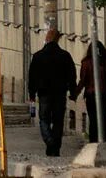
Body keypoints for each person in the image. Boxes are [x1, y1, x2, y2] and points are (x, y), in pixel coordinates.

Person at [28, 29, 77, 157]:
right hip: (59, 94)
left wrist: (32, 94)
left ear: (47, 39)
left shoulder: (38, 56)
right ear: (57, 39)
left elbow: (32, 77)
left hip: (43, 93)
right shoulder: (65, 56)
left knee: (44, 119)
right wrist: (73, 92)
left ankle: (50, 141)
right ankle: (55, 147)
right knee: (58, 120)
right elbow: (72, 75)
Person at [72, 41, 106, 143]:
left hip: (91, 95)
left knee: (93, 119)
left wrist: (75, 94)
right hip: (105, 95)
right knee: (105, 119)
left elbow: (82, 81)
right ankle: (104, 141)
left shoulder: (86, 63)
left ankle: (93, 142)